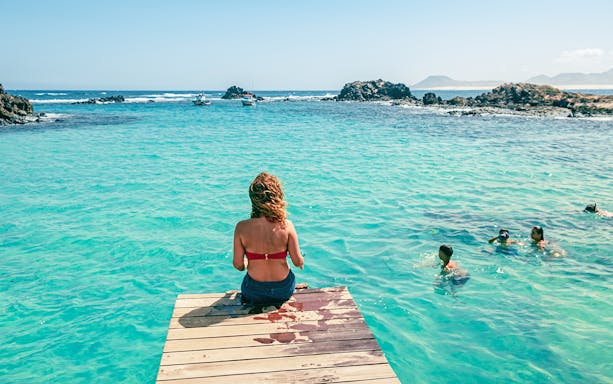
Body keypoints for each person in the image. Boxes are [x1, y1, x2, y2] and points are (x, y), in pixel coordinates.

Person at [233, 172, 304, 306]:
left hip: (253, 290)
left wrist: (248, 264)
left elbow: (238, 265)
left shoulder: (241, 227)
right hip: (283, 290)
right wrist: (301, 260)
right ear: (277, 197)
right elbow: (297, 261)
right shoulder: (287, 226)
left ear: (253, 199)